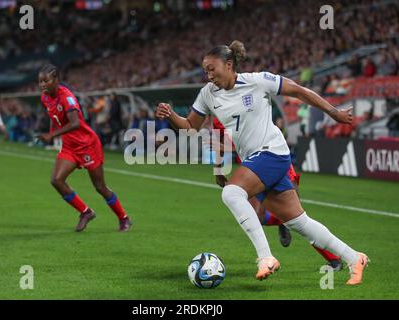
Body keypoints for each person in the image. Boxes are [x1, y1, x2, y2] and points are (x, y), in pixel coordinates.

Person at [155, 41, 368, 285]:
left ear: (229, 64)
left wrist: (334, 113)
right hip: (255, 160)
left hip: (272, 153)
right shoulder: (208, 94)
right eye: (205, 70)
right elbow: (190, 126)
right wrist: (171, 115)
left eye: (212, 69)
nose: (209, 75)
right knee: (299, 222)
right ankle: (355, 258)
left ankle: (265, 257)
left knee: (232, 194)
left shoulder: (257, 81)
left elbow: (299, 91)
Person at [211, 118, 343, 270]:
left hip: (274, 159)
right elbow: (219, 145)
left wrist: (225, 152)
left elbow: (249, 140)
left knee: (298, 218)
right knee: (258, 216)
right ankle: (279, 223)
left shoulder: (247, 101)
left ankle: (334, 259)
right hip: (251, 168)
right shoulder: (217, 114)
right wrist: (219, 172)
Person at [36, 64, 132, 232]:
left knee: (100, 187)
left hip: (87, 145)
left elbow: (75, 123)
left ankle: (124, 218)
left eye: (46, 81)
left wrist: (52, 135)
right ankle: (86, 212)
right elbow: (54, 118)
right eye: (40, 81)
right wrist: (51, 134)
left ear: (56, 80)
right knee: (56, 180)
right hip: (69, 146)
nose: (42, 84)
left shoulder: (67, 98)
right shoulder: (45, 98)